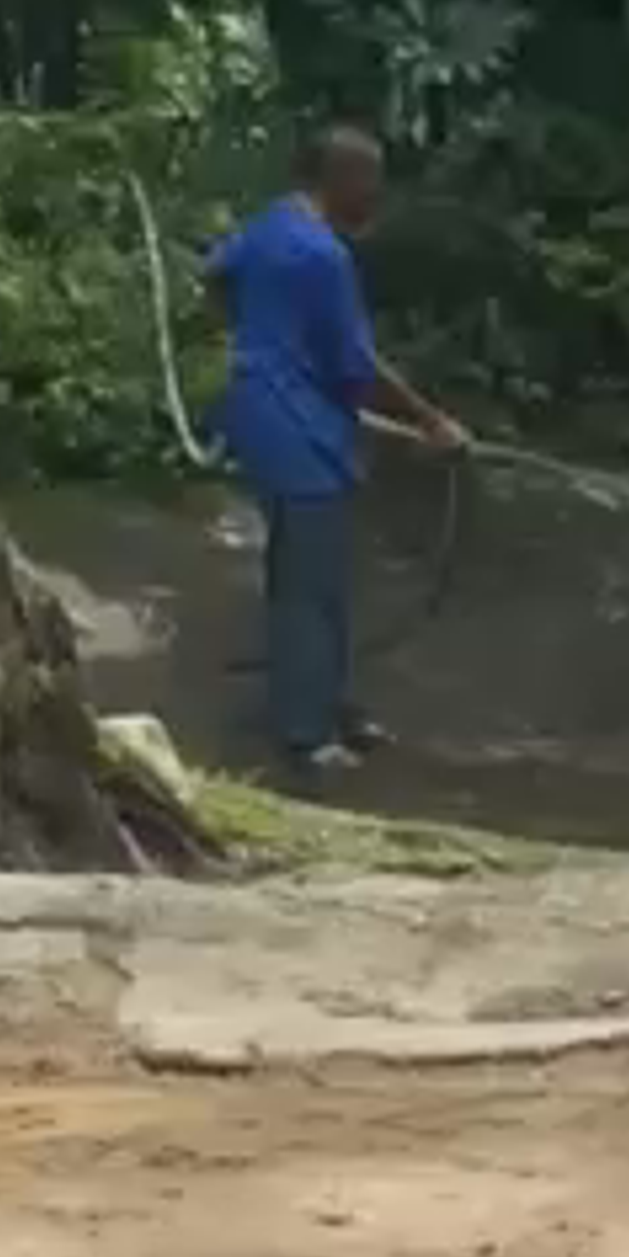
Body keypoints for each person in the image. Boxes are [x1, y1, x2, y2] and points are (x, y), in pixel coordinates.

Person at [202, 123, 461, 778]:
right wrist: (432, 422)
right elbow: (358, 366)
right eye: (371, 179)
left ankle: (331, 704)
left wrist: (256, 340)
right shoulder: (324, 254)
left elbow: (217, 273)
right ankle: (306, 736)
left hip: (262, 413)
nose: (376, 194)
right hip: (297, 430)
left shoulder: (269, 225)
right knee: (309, 588)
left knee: (315, 573)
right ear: (342, 178)